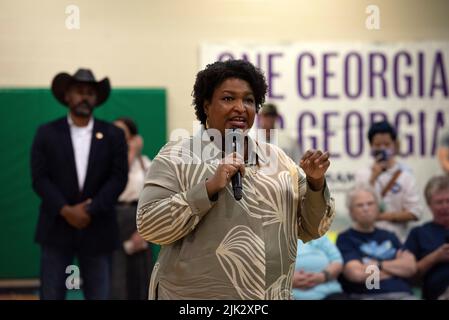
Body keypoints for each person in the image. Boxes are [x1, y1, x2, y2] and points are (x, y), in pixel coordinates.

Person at [136, 59, 335, 300]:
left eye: (249, 100)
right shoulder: (177, 156)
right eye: (229, 98)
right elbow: (150, 226)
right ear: (206, 105)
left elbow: (313, 228)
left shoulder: (279, 160)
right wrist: (208, 189)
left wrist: (315, 184)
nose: (240, 107)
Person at [31, 68, 128, 299]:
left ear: (96, 99)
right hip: (56, 226)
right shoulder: (46, 133)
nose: (84, 97)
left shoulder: (113, 134)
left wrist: (89, 209)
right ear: (67, 96)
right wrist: (66, 210)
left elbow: (118, 178)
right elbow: (39, 178)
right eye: (79, 91)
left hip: (98, 226)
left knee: (99, 294)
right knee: (52, 293)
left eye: (90, 92)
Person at [336, 186, 417, 300]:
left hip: (404, 295)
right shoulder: (345, 238)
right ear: (351, 212)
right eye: (360, 205)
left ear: (378, 208)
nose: (366, 208)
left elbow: (410, 267)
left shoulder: (390, 236)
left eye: (370, 204)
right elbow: (356, 274)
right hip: (368, 296)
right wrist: (396, 270)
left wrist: (378, 265)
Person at [354, 120, 423, 242]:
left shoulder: (406, 175)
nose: (382, 149)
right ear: (371, 146)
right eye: (377, 145)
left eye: (387, 144)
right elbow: (357, 207)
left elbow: (415, 212)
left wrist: (383, 217)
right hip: (368, 240)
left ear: (394, 145)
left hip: (399, 240)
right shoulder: (362, 174)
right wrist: (373, 178)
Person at [111, 117, 153, 300]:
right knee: (117, 277)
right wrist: (130, 153)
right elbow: (116, 181)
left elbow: (154, 197)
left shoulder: (145, 163)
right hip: (114, 218)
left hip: (140, 217)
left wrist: (144, 231)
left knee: (141, 275)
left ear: (132, 137)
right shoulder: (107, 161)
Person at [404, 175, 449, 300]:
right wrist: (436, 257)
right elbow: (410, 275)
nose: (445, 206)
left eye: (448, 201)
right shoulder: (419, 233)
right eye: (439, 202)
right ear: (429, 205)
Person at [292, 235, 345, 300]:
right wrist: (287, 281)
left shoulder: (317, 234)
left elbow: (337, 261)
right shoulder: (277, 241)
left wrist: (324, 276)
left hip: (330, 293)